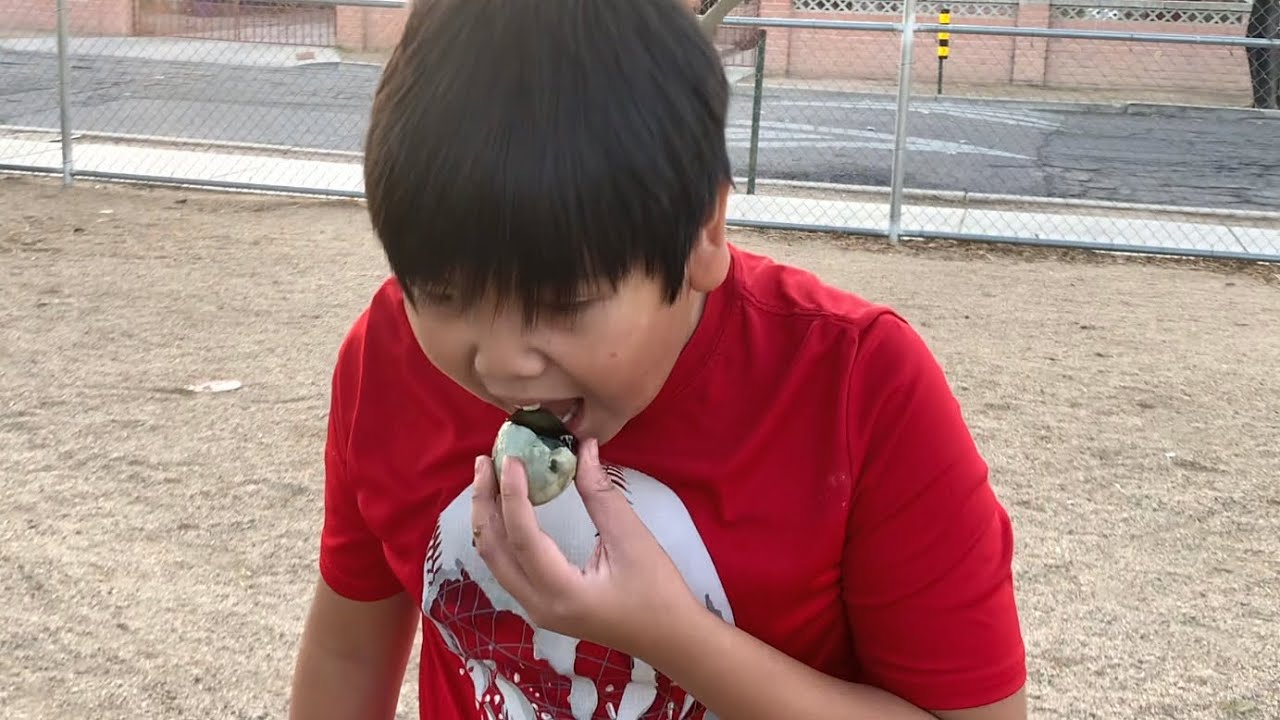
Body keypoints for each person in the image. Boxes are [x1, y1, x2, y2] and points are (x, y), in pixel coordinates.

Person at [287, 0, 1027, 718]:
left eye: (564, 301)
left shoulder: (859, 388)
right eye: (442, 293)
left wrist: (675, 638)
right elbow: (350, 655)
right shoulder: (384, 360)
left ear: (704, 229)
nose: (503, 363)